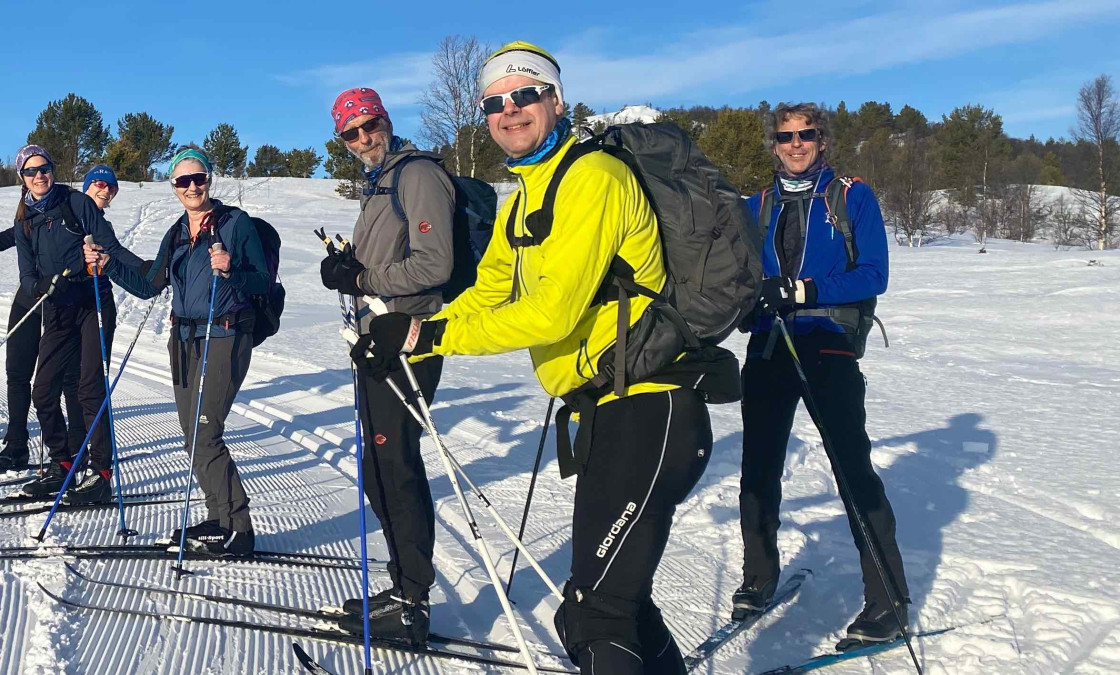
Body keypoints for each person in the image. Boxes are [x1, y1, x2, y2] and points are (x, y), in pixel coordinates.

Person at [357, 42, 713, 673]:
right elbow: (489, 290)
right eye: (494, 102)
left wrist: (426, 340)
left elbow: (551, 313)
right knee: (617, 603)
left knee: (594, 614)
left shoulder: (593, 178)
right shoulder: (526, 193)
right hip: (604, 404)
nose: (509, 111)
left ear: (556, 100)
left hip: (651, 405)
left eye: (525, 95)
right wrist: (412, 328)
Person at [735, 103, 908, 649]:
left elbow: (874, 273)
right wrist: (745, 305)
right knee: (758, 467)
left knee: (852, 468)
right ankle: (758, 578)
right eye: (785, 136)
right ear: (773, 144)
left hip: (827, 342)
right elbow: (736, 274)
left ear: (822, 140)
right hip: (769, 345)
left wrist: (805, 290)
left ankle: (887, 602)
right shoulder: (756, 205)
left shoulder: (851, 196)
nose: (796, 144)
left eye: (805, 134)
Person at [314, 86, 461, 641]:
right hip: (377, 340)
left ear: (386, 120)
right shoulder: (379, 183)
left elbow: (434, 265)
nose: (362, 138)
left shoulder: (415, 174)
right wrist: (349, 266)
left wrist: (362, 278)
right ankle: (404, 587)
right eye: (350, 133)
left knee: (395, 467)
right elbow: (386, 258)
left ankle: (412, 599)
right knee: (379, 467)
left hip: (409, 341)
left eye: (369, 125)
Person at [85, 148, 267, 554]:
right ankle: (218, 518)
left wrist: (231, 269)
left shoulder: (236, 224)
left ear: (209, 179)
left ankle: (238, 527)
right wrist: (108, 265)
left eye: (198, 178)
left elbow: (262, 282)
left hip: (224, 335)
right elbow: (149, 285)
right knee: (193, 437)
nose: (192, 187)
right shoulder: (177, 232)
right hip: (182, 340)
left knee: (206, 432)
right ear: (173, 187)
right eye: (183, 181)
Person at [0, 163, 120, 473]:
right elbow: (14, 236)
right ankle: (17, 443)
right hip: (33, 296)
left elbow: (112, 257)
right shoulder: (48, 212)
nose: (104, 189)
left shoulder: (93, 225)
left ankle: (76, 450)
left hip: (68, 302)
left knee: (73, 381)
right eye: (98, 183)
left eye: (110, 186)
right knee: (20, 372)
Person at [4, 149, 134, 505]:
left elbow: (111, 247)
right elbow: (26, 274)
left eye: (44, 168)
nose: (39, 176)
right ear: (22, 177)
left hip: (92, 302)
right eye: (31, 171)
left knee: (89, 389)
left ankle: (101, 473)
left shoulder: (77, 203)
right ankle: (62, 463)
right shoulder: (25, 219)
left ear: (52, 170)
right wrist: (40, 285)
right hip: (58, 307)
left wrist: (146, 272)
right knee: (43, 390)